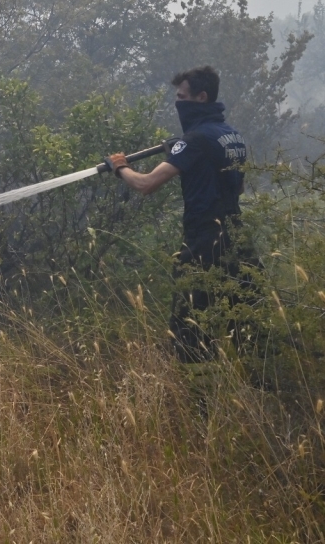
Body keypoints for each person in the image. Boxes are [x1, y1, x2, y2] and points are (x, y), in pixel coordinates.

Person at [105, 66, 249, 362]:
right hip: (238, 239)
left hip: (203, 244)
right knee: (246, 324)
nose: (177, 102)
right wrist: (182, 153)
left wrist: (120, 167)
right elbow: (239, 187)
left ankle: (198, 400)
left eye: (182, 97)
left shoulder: (194, 140)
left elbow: (146, 184)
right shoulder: (232, 135)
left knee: (191, 329)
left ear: (201, 97)